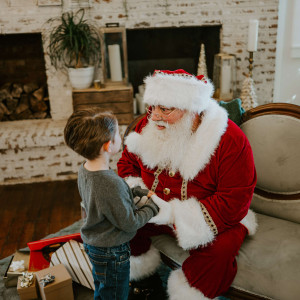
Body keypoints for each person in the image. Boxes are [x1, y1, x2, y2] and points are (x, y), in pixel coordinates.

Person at [117, 69, 258, 300]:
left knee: (220, 252)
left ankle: (190, 292)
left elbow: (235, 200)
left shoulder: (229, 139)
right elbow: (127, 164)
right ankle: (144, 279)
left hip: (212, 217)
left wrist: (172, 214)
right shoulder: (148, 124)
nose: (155, 117)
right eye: (152, 107)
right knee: (119, 219)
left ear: (193, 110)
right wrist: (141, 196)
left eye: (166, 109)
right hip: (152, 209)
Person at [64, 108, 159, 300]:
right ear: (108, 146)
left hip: (94, 244)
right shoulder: (110, 183)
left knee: (103, 284)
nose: (120, 137)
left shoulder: (85, 169)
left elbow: (103, 199)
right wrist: (152, 208)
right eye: (117, 134)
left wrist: (134, 191)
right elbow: (130, 223)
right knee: (115, 293)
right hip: (113, 251)